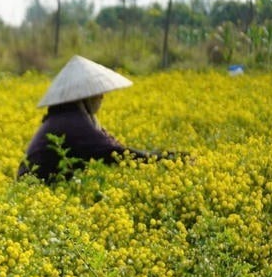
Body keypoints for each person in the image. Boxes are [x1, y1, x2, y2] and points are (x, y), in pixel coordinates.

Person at [17, 55, 179, 184]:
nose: (102, 96)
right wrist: (165, 160)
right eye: (96, 92)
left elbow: (111, 145)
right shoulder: (71, 122)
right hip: (34, 188)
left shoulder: (68, 116)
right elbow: (113, 152)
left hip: (44, 190)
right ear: (83, 96)